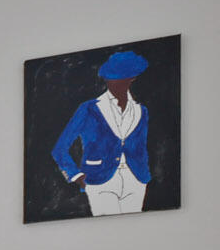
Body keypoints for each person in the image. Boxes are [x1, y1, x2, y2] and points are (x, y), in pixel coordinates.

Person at [50, 50, 152, 216]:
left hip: (136, 179)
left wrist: (143, 171)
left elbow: (140, 147)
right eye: (111, 78)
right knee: (107, 229)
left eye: (121, 78)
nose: (114, 83)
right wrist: (76, 176)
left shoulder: (141, 111)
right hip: (99, 180)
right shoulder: (89, 108)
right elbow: (60, 148)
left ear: (132, 78)